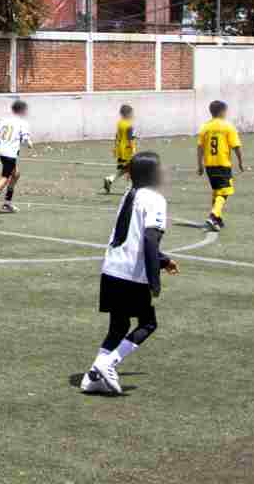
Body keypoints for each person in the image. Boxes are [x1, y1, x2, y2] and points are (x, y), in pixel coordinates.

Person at [81, 152, 179, 395]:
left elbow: (132, 237)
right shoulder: (155, 199)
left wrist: (163, 260)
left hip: (111, 269)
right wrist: (155, 280)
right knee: (148, 322)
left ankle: (92, 377)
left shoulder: (130, 194)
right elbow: (149, 238)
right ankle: (107, 364)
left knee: (118, 326)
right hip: (132, 274)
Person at [196, 100, 245, 232]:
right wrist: (241, 162)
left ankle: (218, 219)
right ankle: (213, 216)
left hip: (209, 165)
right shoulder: (227, 126)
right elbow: (236, 146)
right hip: (222, 164)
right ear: (223, 111)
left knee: (217, 191)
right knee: (224, 192)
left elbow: (200, 147)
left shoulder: (205, 127)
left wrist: (200, 165)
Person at [0, 100, 32, 216]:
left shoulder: (5, 120)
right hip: (10, 153)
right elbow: (25, 138)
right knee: (5, 177)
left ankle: (7, 203)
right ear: (22, 111)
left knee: (16, 174)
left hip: (2, 152)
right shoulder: (23, 123)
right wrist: (29, 143)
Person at [103, 104, 136, 194]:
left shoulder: (120, 123)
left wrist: (115, 148)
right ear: (128, 114)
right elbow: (130, 139)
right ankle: (130, 189)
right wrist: (133, 150)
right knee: (132, 169)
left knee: (124, 169)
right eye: (132, 113)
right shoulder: (129, 125)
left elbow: (117, 136)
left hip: (120, 149)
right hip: (127, 150)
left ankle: (110, 179)